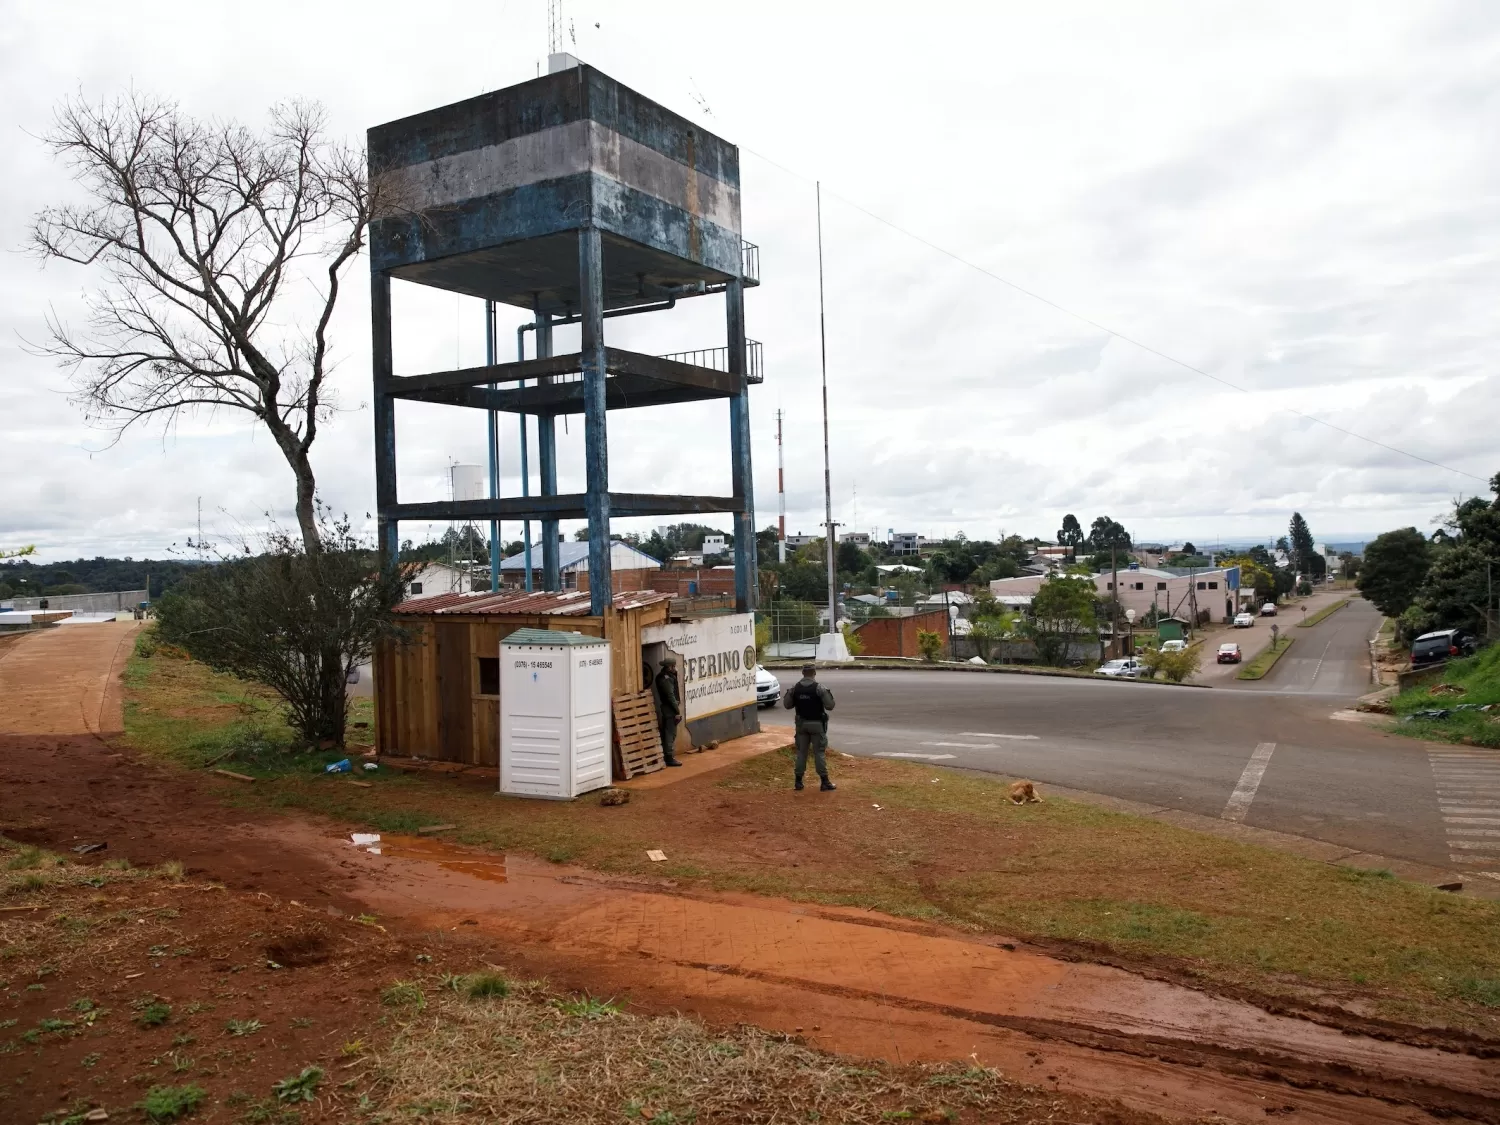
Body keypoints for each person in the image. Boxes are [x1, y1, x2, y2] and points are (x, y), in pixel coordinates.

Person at [782, 662, 836, 791]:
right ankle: (824, 782)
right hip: (817, 724)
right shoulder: (819, 688)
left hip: (801, 725)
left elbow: (787, 705)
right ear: (814, 673)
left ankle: (798, 782)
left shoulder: (795, 688)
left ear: (802, 673)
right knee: (819, 752)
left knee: (801, 753)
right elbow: (830, 706)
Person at [654, 655, 683, 767]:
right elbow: (670, 695)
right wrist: (677, 710)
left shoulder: (665, 677)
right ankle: (669, 757)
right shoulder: (666, 679)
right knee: (670, 733)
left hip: (669, 708)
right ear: (670, 667)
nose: (675, 668)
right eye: (673, 666)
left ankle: (668, 756)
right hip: (669, 709)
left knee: (669, 733)